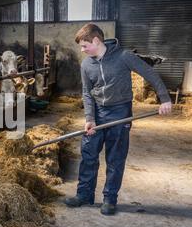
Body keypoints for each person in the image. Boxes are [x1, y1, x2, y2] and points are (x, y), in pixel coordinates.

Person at [65, 23, 172, 215]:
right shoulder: (86, 64)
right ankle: (84, 195)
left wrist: (164, 99)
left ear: (96, 41)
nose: (82, 50)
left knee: (115, 157)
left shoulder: (124, 56)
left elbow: (150, 74)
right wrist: (90, 118)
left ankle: (109, 199)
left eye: (84, 45)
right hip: (97, 111)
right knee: (88, 154)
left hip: (120, 112)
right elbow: (87, 93)